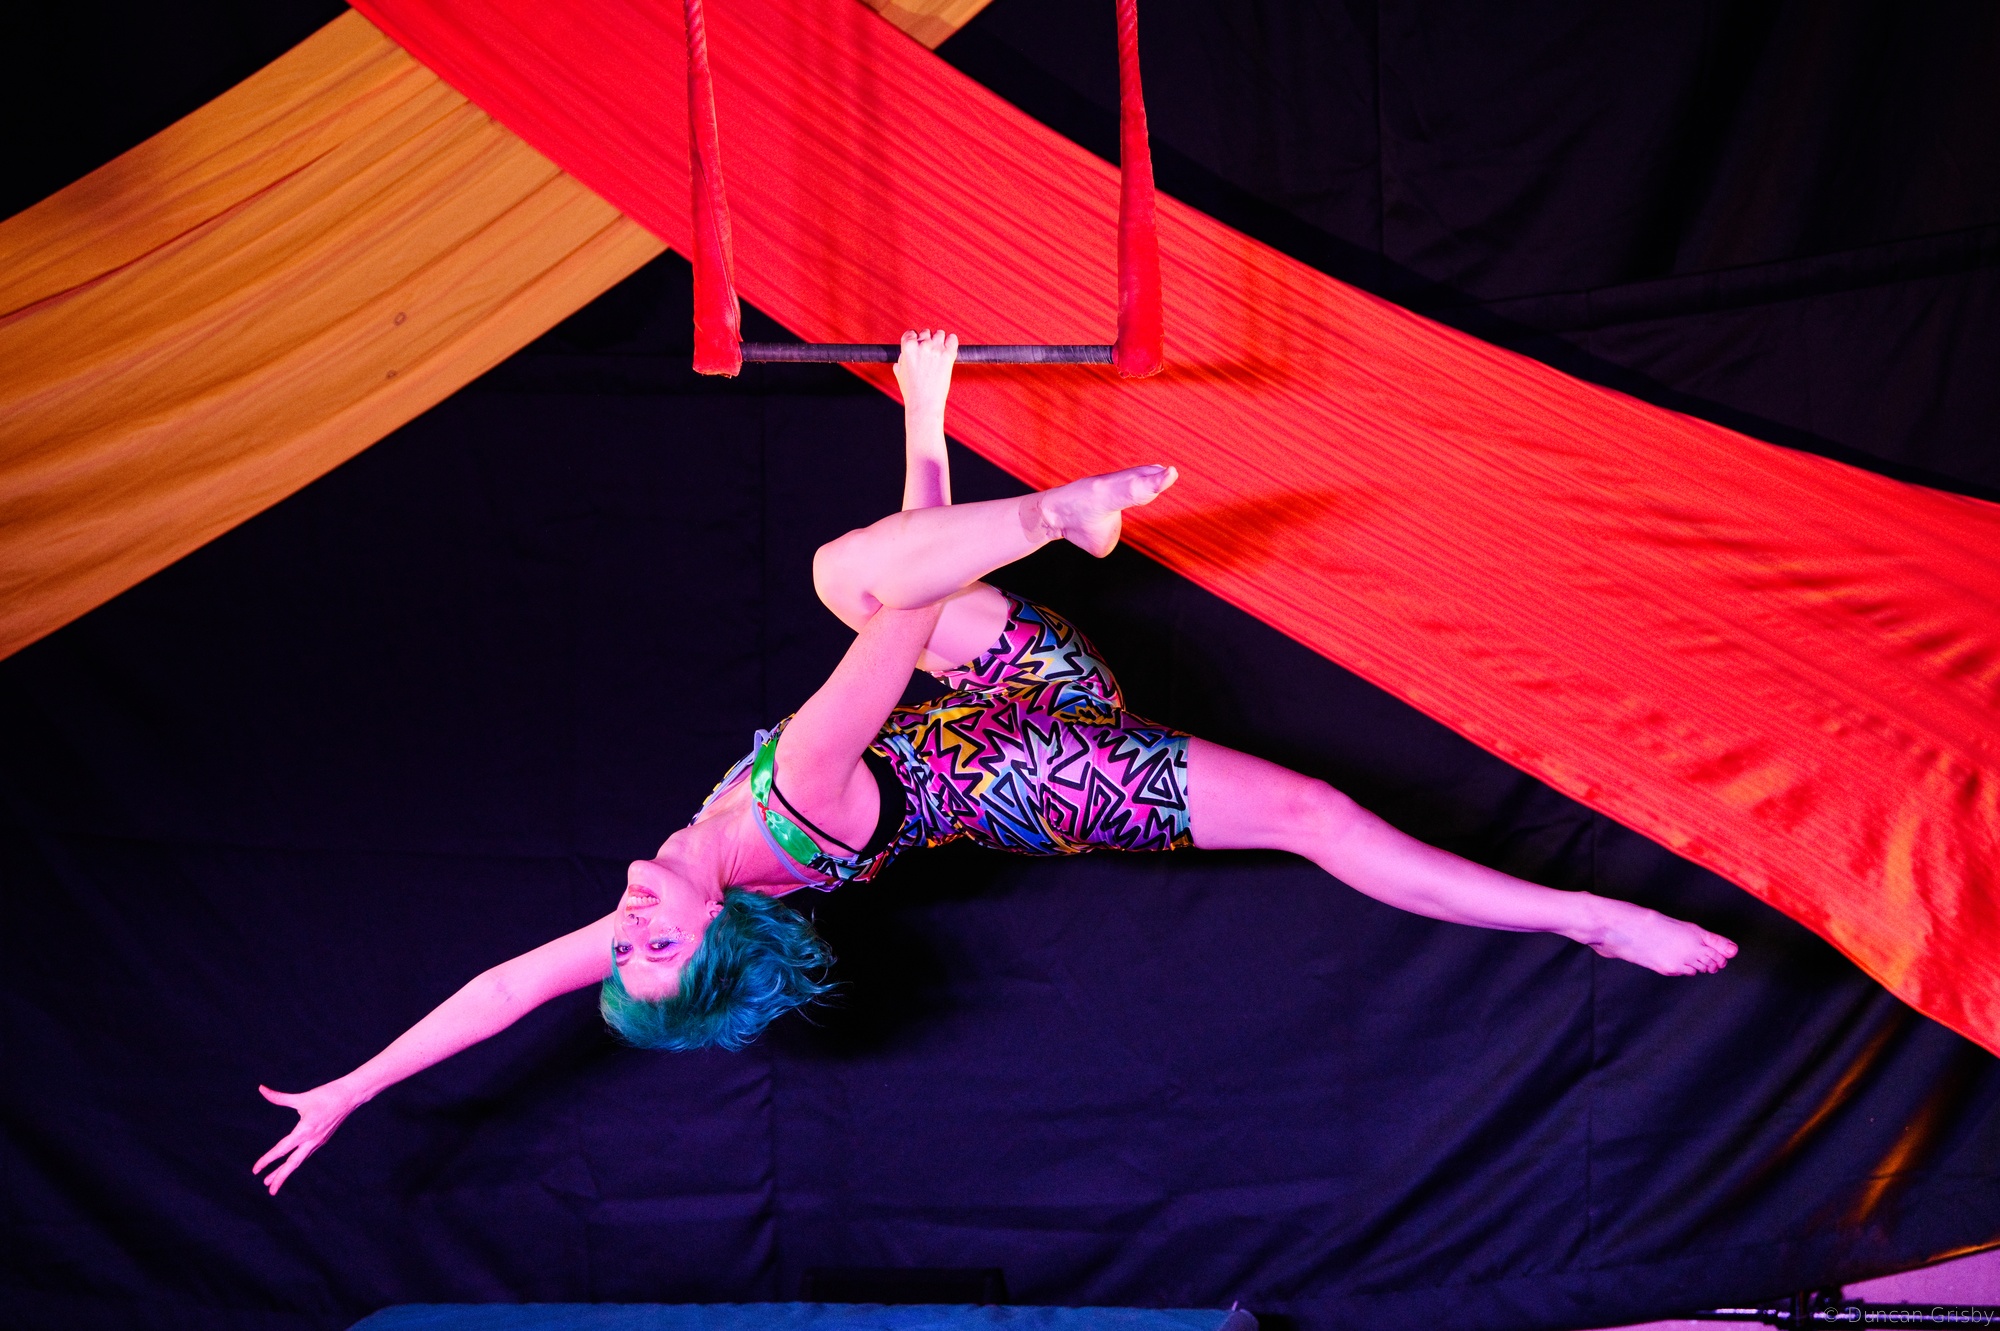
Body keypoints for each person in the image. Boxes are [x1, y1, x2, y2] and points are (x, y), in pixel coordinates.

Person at [254, 331, 1735, 1195]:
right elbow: (896, 619)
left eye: (622, 948)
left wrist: (354, 1088)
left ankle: (1064, 518)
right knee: (857, 582)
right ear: (723, 926)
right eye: (651, 944)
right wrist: (1001, 500)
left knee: (870, 579)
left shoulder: (680, 888)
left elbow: (505, 991)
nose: (625, 923)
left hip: (993, 713)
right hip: (1040, 752)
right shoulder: (784, 810)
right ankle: (1585, 918)